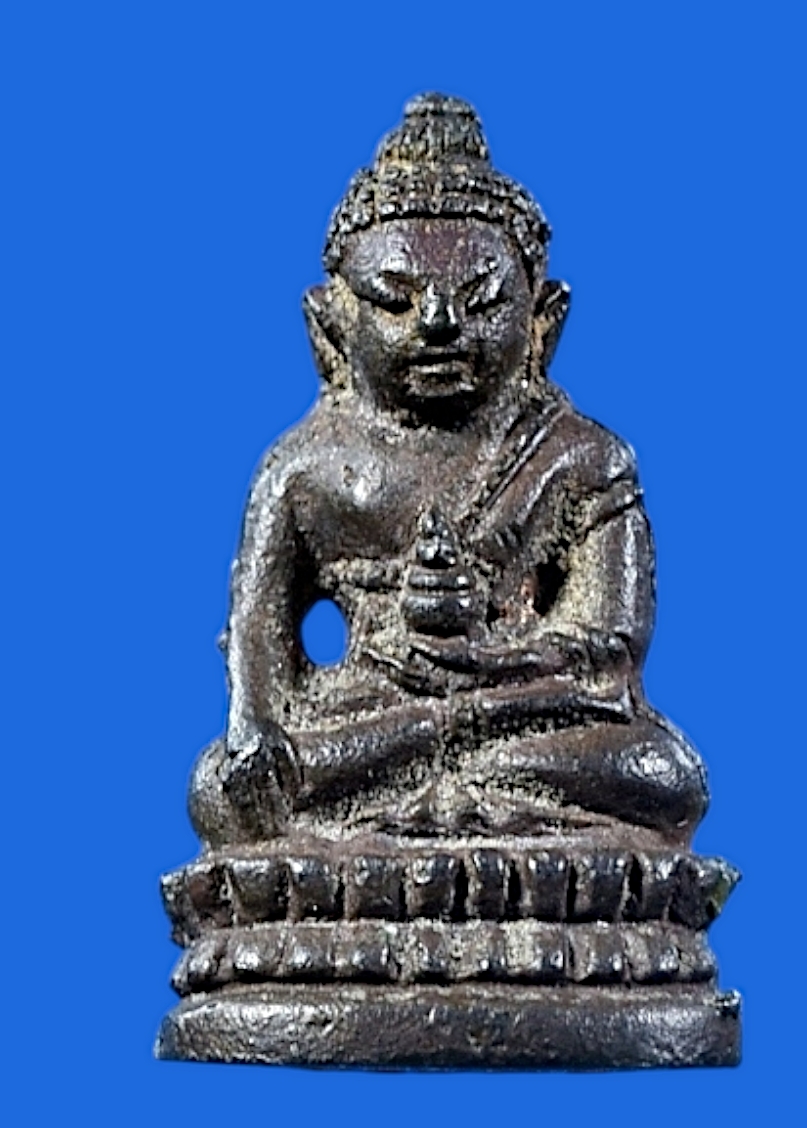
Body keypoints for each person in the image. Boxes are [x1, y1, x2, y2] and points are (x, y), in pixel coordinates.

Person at [189, 94, 708, 852]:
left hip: (519, 714)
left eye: (482, 300)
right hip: (364, 718)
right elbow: (256, 644)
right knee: (223, 792)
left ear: (544, 321)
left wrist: (484, 660)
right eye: (396, 301)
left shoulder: (581, 457)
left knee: (663, 775)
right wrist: (254, 731)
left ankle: (446, 782)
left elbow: (611, 648)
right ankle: (454, 786)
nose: (438, 324)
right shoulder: (301, 470)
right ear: (329, 327)